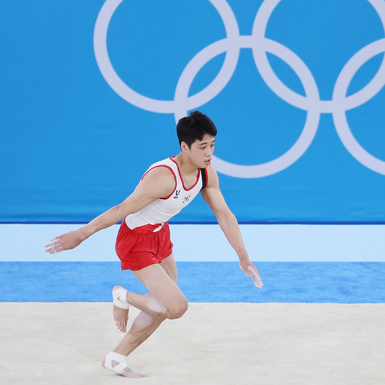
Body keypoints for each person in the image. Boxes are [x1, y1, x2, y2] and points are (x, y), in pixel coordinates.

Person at [45, 110, 262, 378]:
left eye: (213, 145)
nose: (209, 153)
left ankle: (116, 357)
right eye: (202, 146)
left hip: (160, 234)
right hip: (134, 241)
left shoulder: (206, 174)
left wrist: (242, 255)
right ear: (184, 147)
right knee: (175, 306)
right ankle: (121, 295)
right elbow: (121, 209)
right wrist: (82, 233)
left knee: (161, 307)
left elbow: (224, 214)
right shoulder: (163, 177)